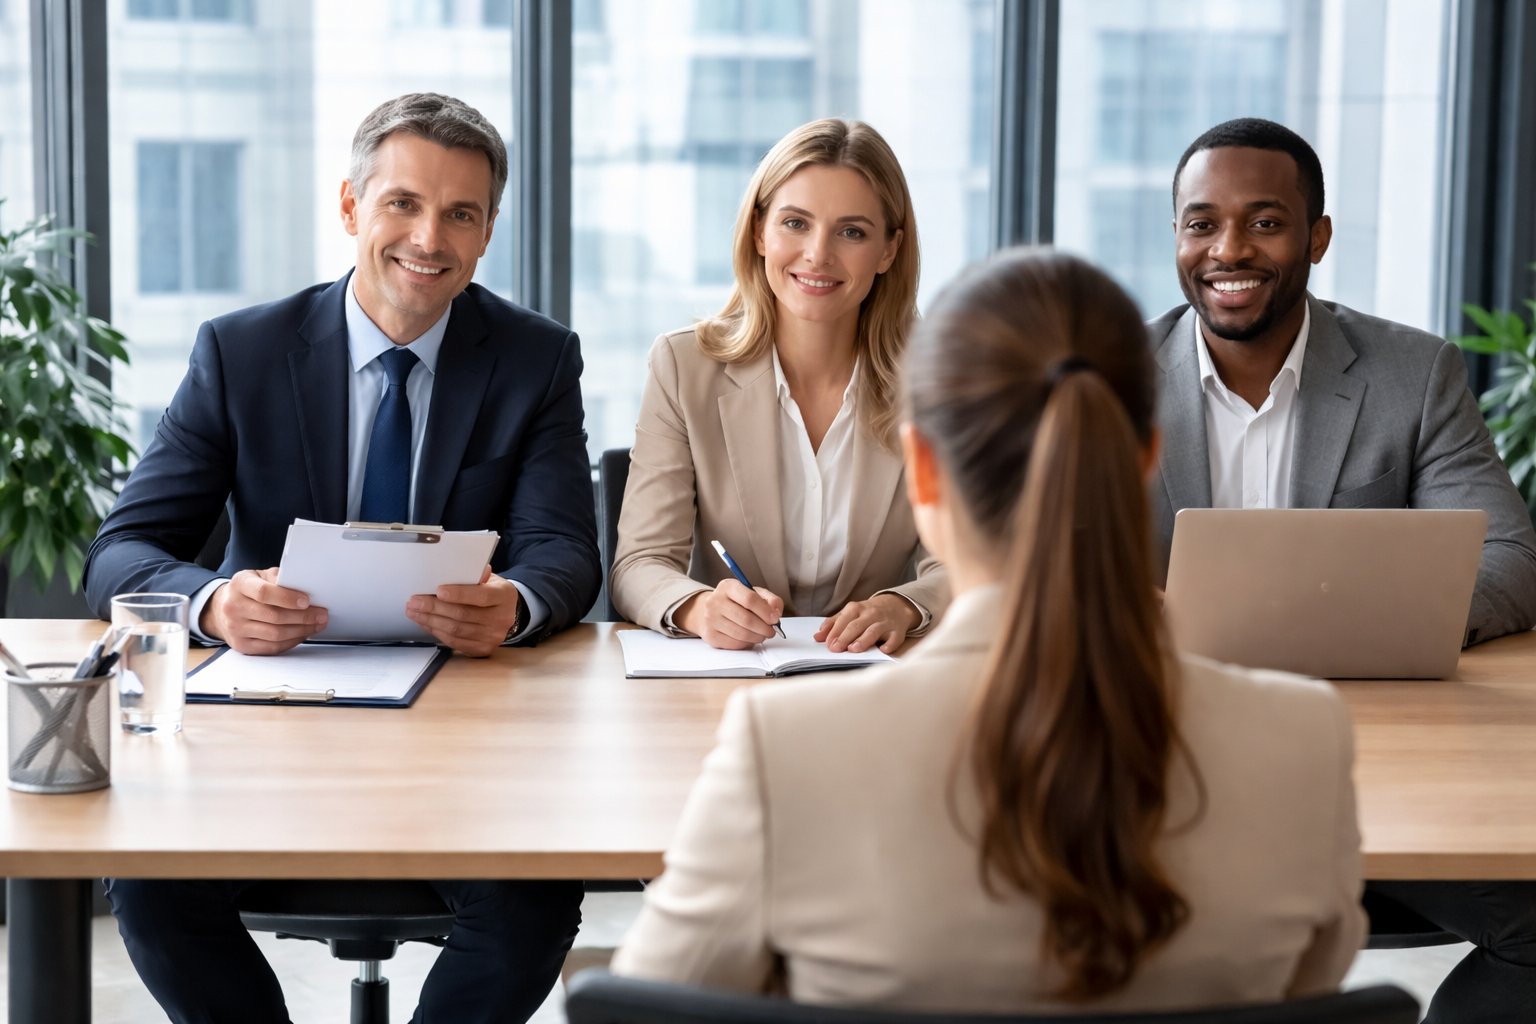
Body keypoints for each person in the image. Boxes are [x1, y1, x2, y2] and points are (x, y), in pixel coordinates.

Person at [611, 249, 1365, 1011]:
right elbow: (1312, 989)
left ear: (924, 470)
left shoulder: (785, 752)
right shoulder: (1307, 739)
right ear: (1141, 458)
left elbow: (646, 1005)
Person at [82, 93, 599, 1024]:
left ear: (486, 235)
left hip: (463, 743)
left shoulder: (535, 358)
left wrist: (517, 602)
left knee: (532, 901)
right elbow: (122, 550)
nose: (428, 237)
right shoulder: (241, 351)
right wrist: (215, 601)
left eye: (462, 214)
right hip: (268, 733)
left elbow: (564, 546)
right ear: (352, 207)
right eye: (402, 203)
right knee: (150, 884)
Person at [1156, 116, 1536, 1024]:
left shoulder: (1413, 373)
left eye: (1265, 221)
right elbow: (1027, 567)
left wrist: (1386, 614)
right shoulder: (1102, 380)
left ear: (1317, 236)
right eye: (1201, 223)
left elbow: (1513, 559)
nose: (1229, 249)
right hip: (1161, 764)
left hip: (1368, 769)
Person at [609, 118, 948, 653]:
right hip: (726, 680)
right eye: (796, 223)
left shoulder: (939, 380)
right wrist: (699, 607)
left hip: (877, 679)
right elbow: (640, 564)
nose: (818, 254)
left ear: (888, 251)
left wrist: (904, 605)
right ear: (759, 231)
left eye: (852, 232)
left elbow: (973, 562)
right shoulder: (683, 366)